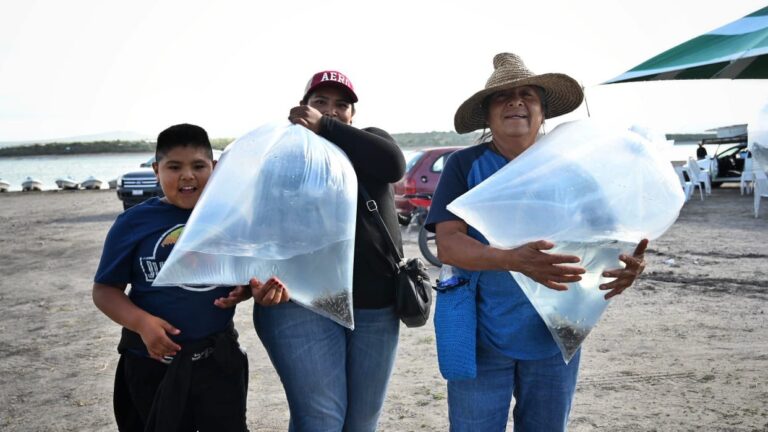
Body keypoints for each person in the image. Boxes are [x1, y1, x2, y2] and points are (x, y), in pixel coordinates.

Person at [425, 53, 648, 431]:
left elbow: (610, 239)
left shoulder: (571, 169)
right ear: (487, 115)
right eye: (503, 96)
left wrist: (628, 269)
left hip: (556, 330)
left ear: (543, 112)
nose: (516, 101)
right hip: (481, 331)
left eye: (527, 94)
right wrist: (514, 259)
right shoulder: (465, 166)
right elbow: (448, 245)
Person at [92, 123, 288, 431]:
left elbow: (248, 276)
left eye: (199, 166)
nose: (187, 175)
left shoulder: (231, 218)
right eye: (174, 167)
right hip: (150, 363)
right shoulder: (133, 223)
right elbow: (105, 290)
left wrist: (248, 291)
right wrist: (142, 323)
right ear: (156, 170)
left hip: (218, 363)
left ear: (215, 168)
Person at [253, 70, 406, 432]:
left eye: (342, 105)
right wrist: (251, 284)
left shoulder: (371, 142)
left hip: (375, 307)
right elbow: (258, 226)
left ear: (353, 116)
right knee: (320, 420)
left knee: (362, 422)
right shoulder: (282, 154)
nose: (332, 110)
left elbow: (394, 165)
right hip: (300, 305)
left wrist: (327, 127)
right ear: (302, 108)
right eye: (320, 102)